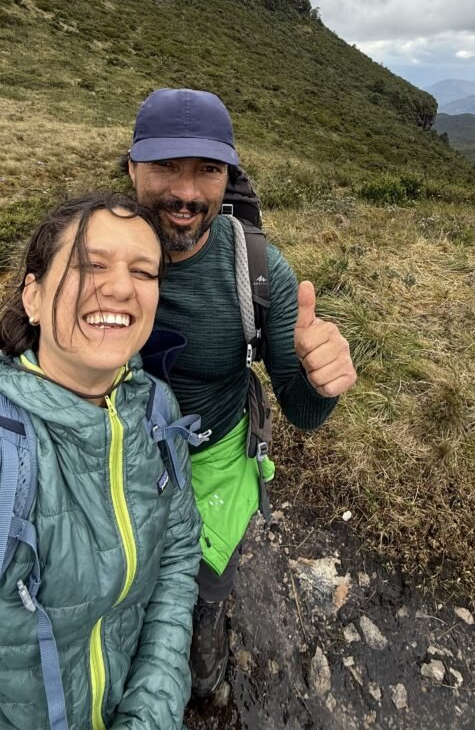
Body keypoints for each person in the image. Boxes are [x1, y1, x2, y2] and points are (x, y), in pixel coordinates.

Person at [122, 88, 357, 697]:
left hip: (215, 462)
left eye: (207, 169)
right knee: (118, 580)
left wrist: (318, 377)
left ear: (228, 174)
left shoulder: (256, 271)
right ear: (131, 168)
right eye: (165, 167)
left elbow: (302, 413)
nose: (186, 192)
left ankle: (203, 648)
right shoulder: (96, 254)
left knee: (203, 585)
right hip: (113, 457)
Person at [0, 191, 201, 730]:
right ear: (32, 296)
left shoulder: (156, 408)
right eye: (90, 264)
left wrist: (149, 716)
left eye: (144, 272)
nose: (121, 287)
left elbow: (175, 560)